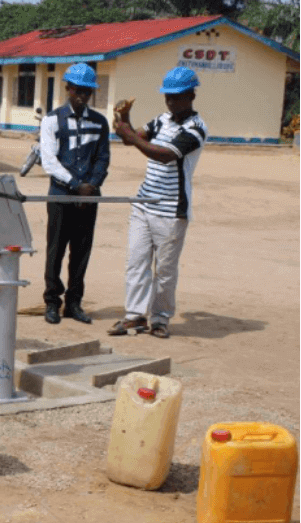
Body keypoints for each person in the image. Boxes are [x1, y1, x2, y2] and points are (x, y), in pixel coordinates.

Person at [109, 67, 207, 339]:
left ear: (191, 95)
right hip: (144, 203)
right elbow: (136, 138)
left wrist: (129, 136)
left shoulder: (196, 129)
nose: (171, 102)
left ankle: (161, 319)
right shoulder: (162, 120)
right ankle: (134, 317)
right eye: (168, 97)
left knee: (164, 270)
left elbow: (165, 155)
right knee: (136, 262)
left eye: (177, 97)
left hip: (171, 209)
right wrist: (125, 119)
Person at [39, 62, 110, 325]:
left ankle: (74, 303)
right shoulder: (51, 120)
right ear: (67, 89)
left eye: (86, 92)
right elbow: (49, 160)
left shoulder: (100, 122)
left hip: (88, 198)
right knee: (55, 250)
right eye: (77, 91)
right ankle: (51, 302)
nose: (81, 97)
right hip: (60, 195)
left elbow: (103, 159)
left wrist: (90, 187)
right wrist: (75, 185)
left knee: (81, 252)